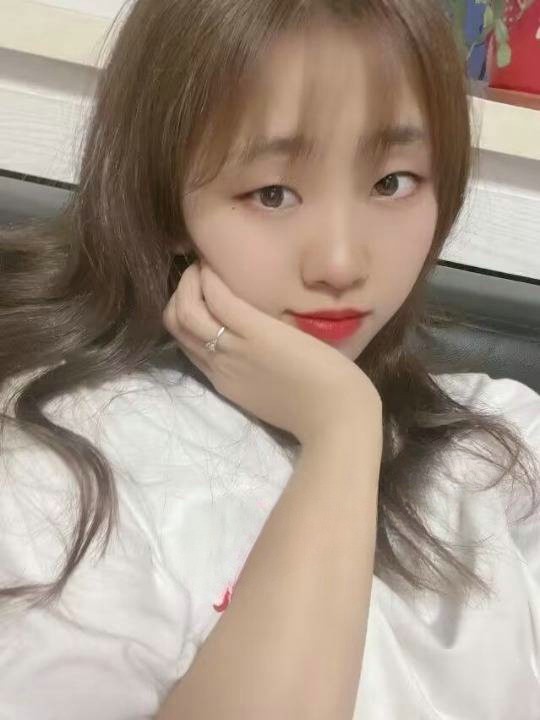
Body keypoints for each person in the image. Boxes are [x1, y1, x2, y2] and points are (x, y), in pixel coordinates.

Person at [0, 0, 538, 718]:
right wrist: (342, 428)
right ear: (166, 203)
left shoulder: (499, 442)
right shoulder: (59, 471)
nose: (341, 263)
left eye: (392, 183)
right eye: (272, 193)